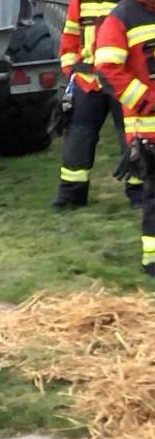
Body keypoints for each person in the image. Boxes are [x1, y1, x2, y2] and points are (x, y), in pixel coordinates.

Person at [52, 0, 143, 209]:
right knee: (78, 137)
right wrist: (70, 70)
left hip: (123, 81)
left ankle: (139, 193)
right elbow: (71, 35)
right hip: (88, 81)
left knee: (132, 137)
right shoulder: (80, 2)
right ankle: (71, 195)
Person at [95, 0, 155, 275]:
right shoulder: (122, 17)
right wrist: (145, 101)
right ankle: (152, 260)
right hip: (149, 128)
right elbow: (107, 70)